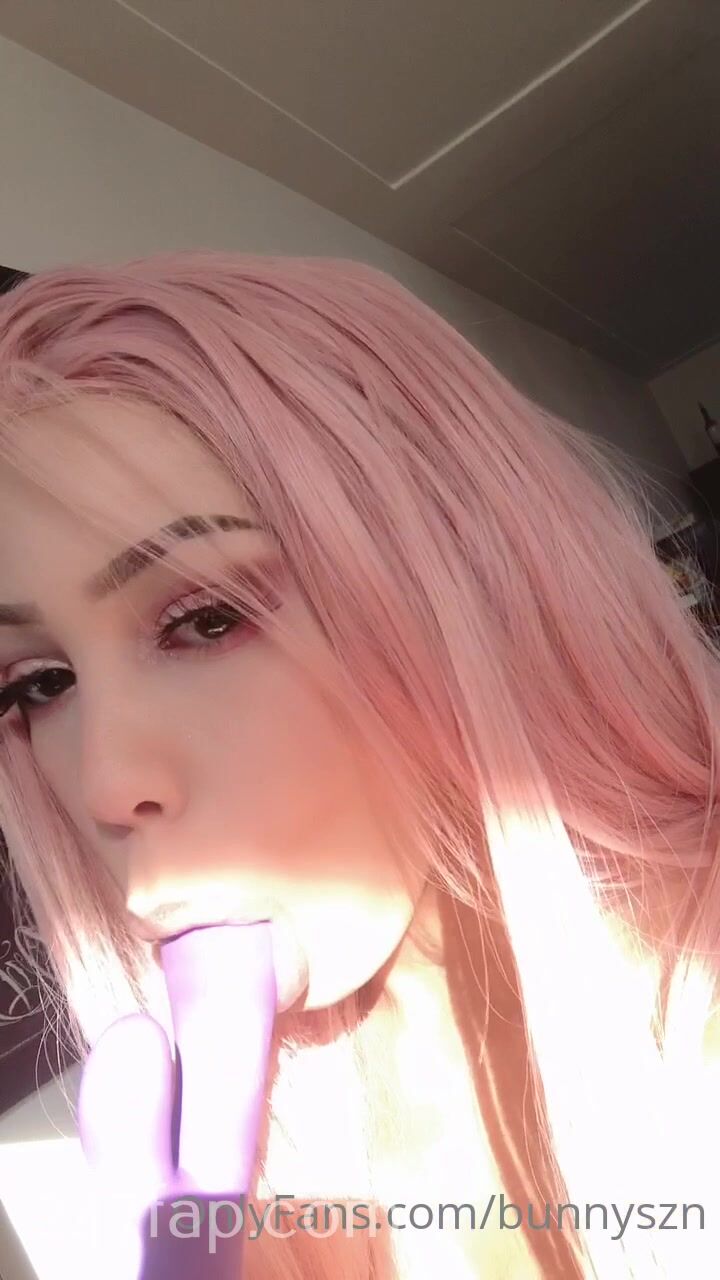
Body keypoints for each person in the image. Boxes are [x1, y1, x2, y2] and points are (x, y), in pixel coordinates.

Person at [0, 250, 717, 1279]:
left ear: (462, 579)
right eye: (40, 682)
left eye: (207, 617)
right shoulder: (249, 1175)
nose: (105, 786)